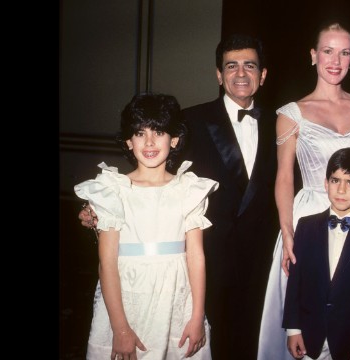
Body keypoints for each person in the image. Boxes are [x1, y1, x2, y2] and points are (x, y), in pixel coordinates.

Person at [78, 34, 278, 360]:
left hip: (257, 264)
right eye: (231, 66)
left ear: (263, 74)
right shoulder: (190, 121)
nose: (241, 74)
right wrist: (94, 209)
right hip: (201, 263)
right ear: (218, 74)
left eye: (250, 65)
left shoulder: (282, 124)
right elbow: (147, 166)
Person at [258, 20, 350, 360]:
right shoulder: (292, 114)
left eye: (344, 52)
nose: (335, 60)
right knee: (307, 314)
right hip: (308, 216)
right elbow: (283, 178)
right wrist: (287, 229)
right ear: (313, 56)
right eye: (327, 51)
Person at [74, 93, 218, 359]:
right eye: (140, 133)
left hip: (177, 297)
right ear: (129, 141)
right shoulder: (112, 190)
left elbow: (196, 256)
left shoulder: (188, 189)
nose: (150, 142)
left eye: (159, 132)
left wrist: (197, 317)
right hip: (128, 299)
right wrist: (120, 329)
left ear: (174, 140)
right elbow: (107, 262)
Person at [282, 148, 350, 360]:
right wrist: (293, 329)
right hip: (309, 334)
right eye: (335, 180)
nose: (341, 190)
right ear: (325, 183)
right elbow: (296, 281)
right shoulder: (305, 226)